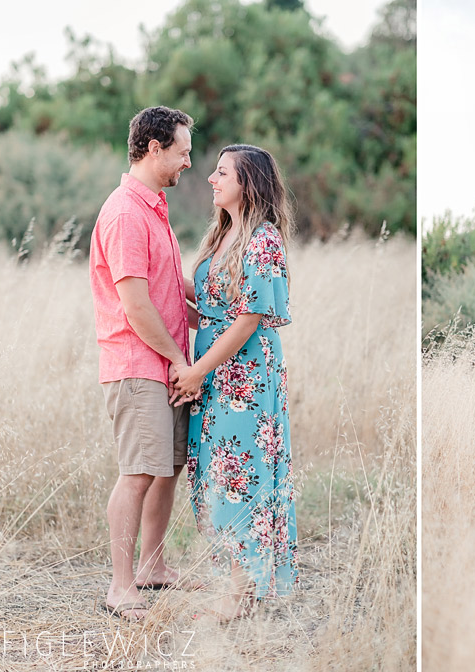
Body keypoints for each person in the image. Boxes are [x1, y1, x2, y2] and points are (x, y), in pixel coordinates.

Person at [171, 144, 298, 621]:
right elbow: (207, 305)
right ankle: (239, 583)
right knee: (219, 472)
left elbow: (246, 320)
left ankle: (241, 595)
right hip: (216, 371)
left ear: (249, 183)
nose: (211, 179)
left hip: (245, 374)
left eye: (222, 173)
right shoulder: (220, 235)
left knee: (242, 474)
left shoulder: (263, 239)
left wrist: (196, 372)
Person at [90, 106, 197, 621]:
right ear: (155, 149)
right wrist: (180, 359)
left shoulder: (154, 207)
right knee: (137, 473)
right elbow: (135, 305)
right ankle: (119, 585)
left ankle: (153, 568)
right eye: (183, 153)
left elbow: (168, 290)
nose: (188, 164)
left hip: (166, 365)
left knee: (167, 467)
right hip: (139, 364)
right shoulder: (127, 212)